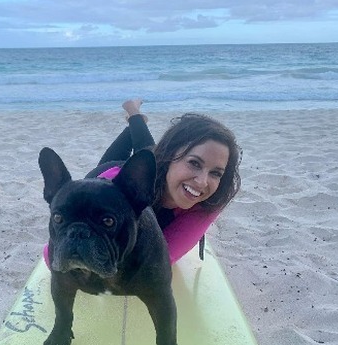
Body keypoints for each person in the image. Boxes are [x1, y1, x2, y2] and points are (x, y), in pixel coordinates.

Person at [44, 99, 242, 265]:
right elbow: (50, 255)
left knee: (146, 150)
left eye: (216, 173)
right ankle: (133, 115)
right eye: (194, 163)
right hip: (110, 175)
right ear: (170, 157)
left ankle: (134, 117)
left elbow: (163, 258)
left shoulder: (210, 199)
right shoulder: (116, 187)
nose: (202, 182)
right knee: (145, 152)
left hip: (145, 170)